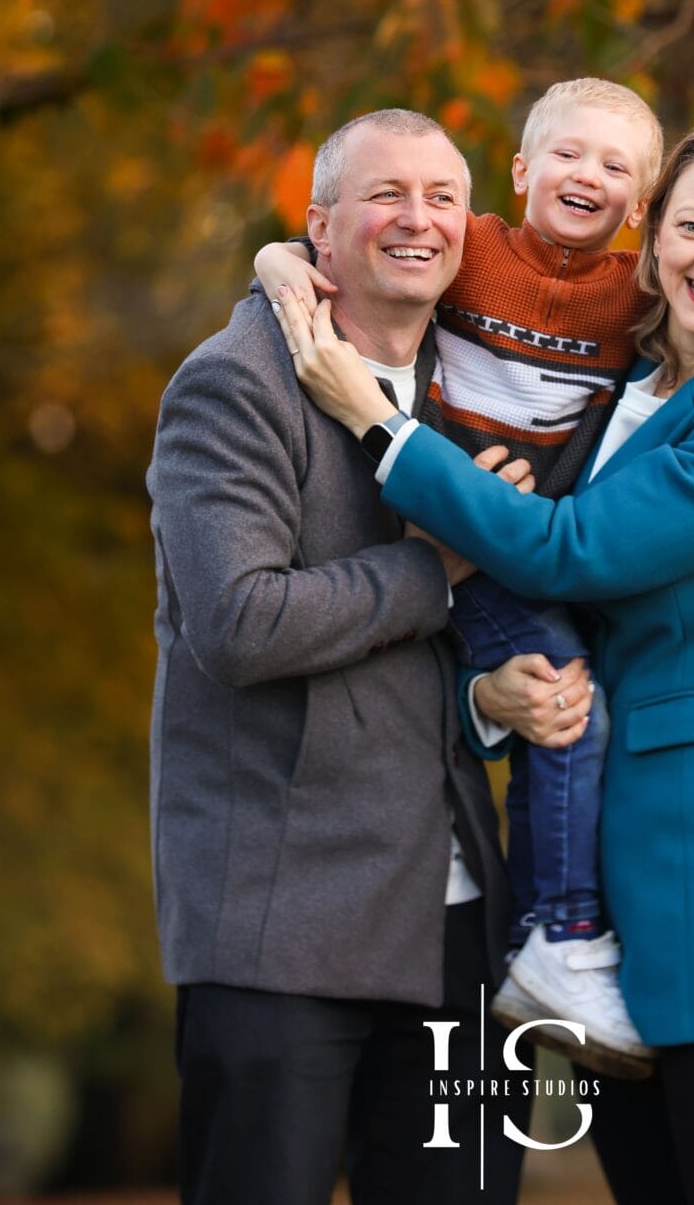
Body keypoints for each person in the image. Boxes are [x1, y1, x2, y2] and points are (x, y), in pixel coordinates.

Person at [274, 116, 694, 1205]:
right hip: (608, 886)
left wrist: (381, 427)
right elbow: (562, 610)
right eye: (691, 228)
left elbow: (574, 552)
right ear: (648, 240)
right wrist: (487, 701)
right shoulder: (627, 385)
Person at [147, 108, 591, 1205]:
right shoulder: (234, 383)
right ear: (318, 227)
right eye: (385, 195)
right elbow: (239, 625)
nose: (418, 219)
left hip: (451, 934)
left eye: (443, 198)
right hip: (277, 930)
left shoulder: (476, 385)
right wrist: (432, 569)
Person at [256, 79, 664, 1074]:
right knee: (572, 704)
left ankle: (548, 926)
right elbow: (337, 249)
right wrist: (280, 259)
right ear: (521, 171)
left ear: (641, 205)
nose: (588, 177)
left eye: (616, 168)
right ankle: (560, 936)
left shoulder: (637, 295)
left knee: (564, 717)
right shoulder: (468, 247)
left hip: (535, 543)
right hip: (444, 522)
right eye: (567, 155)